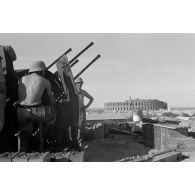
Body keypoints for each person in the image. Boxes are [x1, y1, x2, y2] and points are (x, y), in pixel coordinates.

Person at [16, 60, 56, 152]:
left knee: (26, 124)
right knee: (53, 116)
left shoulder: (21, 79)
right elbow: (51, 100)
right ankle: (37, 137)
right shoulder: (45, 81)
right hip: (37, 113)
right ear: (41, 71)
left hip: (20, 112)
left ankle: (24, 139)